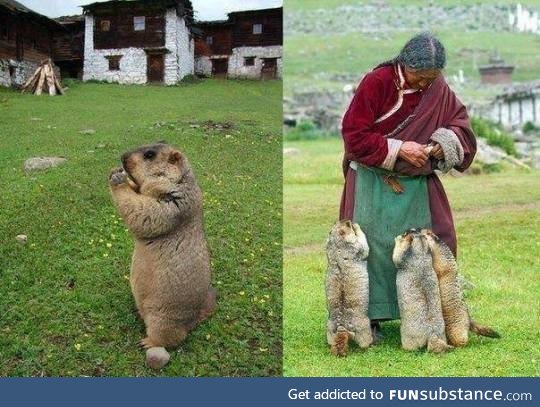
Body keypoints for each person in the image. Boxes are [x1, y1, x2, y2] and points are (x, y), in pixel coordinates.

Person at [339, 32, 476, 338]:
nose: (425, 84)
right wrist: (400, 149)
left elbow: (460, 125)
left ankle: (431, 315)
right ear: (404, 64)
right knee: (368, 248)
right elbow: (354, 135)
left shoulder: (436, 87)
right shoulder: (377, 82)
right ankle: (366, 318)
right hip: (372, 182)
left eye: (432, 77)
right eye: (420, 77)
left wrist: (444, 143)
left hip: (418, 183)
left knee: (438, 240)